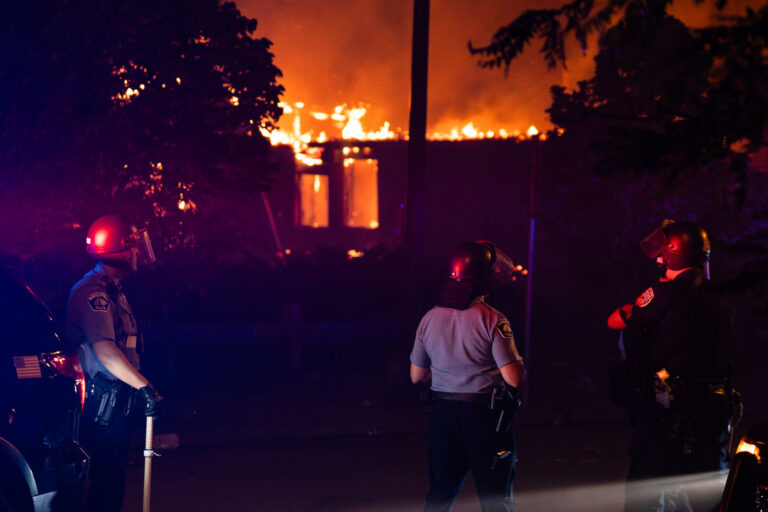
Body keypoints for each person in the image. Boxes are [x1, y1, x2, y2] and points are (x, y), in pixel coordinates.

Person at [607, 220, 733, 512]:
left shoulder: (663, 293)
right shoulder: (722, 296)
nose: (659, 259)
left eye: (663, 252)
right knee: (709, 489)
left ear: (673, 254)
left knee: (646, 488)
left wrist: (631, 309)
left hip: (669, 411)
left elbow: (615, 320)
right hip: (713, 404)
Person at [410, 241, 525, 512]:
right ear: (484, 279)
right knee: (496, 492)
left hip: (442, 417)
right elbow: (514, 378)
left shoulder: (429, 318)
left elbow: (416, 376)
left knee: (440, 492)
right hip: (486, 420)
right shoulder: (493, 319)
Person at [66, 214, 163, 512]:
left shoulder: (113, 290)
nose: (139, 252)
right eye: (133, 246)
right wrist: (144, 387)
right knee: (104, 487)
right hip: (99, 403)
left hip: (115, 399)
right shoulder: (93, 292)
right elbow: (105, 350)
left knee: (113, 484)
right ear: (118, 250)